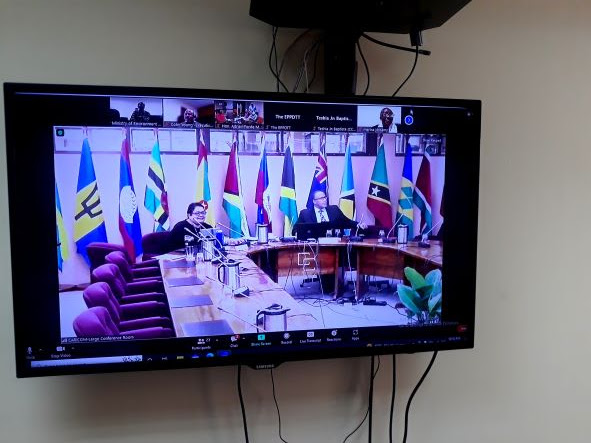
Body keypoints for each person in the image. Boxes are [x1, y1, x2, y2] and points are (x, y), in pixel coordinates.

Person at [294, 191, 368, 231]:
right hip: (314, 244)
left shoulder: (334, 209)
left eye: (325, 197)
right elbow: (295, 229)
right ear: (314, 201)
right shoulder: (305, 214)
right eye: (321, 198)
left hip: (334, 244)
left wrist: (358, 224)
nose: (324, 200)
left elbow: (346, 222)